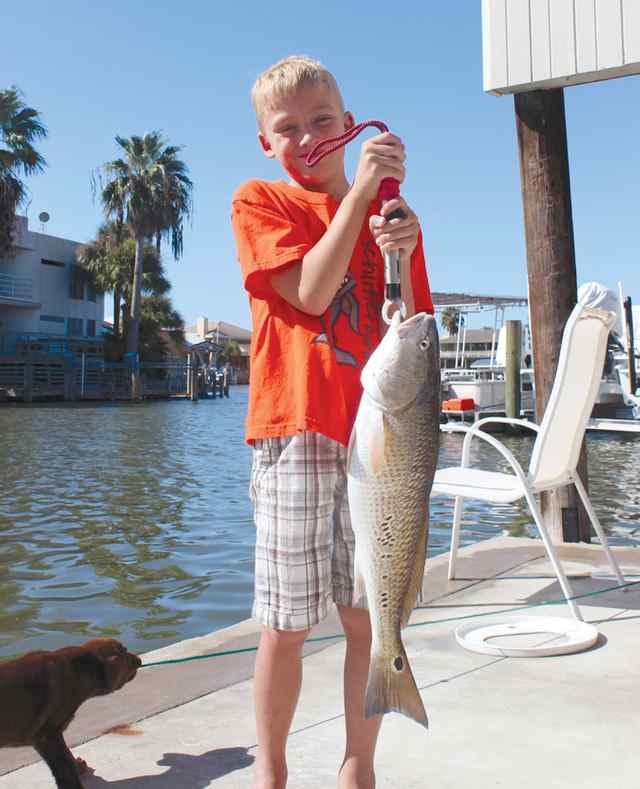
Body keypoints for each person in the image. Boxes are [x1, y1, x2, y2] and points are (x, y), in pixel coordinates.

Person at [231, 55, 434, 789]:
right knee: (284, 623)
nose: (308, 137)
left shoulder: (389, 221)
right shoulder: (260, 202)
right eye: (287, 128)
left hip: (377, 440)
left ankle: (358, 766)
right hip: (295, 432)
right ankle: (271, 770)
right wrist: (360, 200)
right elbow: (313, 294)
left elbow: (415, 332)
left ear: (350, 125)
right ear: (266, 143)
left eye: (322, 121)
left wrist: (403, 250)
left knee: (365, 620)